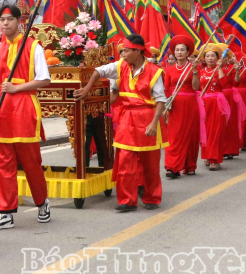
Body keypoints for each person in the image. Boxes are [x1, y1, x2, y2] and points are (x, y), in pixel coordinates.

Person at [75, 34, 166, 212]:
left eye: (126, 50)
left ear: (137, 51)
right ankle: (127, 200)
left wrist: (154, 123)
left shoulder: (154, 71)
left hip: (147, 118)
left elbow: (161, 100)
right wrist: (86, 90)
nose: (122, 54)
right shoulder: (120, 66)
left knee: (150, 164)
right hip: (127, 119)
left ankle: (152, 197)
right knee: (125, 161)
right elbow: (98, 71)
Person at [0, 5, 52, 230]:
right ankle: (5, 213)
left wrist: (17, 87)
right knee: (3, 164)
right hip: (4, 110)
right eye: (2, 20)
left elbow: (44, 79)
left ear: (19, 21)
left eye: (10, 19)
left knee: (31, 162)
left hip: (25, 108)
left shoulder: (33, 47)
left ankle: (42, 202)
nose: (5, 23)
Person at [161, 35, 200, 178]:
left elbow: (196, 87)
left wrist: (195, 71)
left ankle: (190, 165)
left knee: (190, 134)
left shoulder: (193, 67)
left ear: (188, 52)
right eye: (177, 50)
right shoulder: (169, 70)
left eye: (182, 50)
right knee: (174, 135)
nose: (179, 52)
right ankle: (172, 167)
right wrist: (165, 106)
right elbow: (166, 89)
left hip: (190, 104)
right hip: (175, 105)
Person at [198, 44, 230, 170]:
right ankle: (207, 155)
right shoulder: (200, 72)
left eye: (213, 56)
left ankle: (215, 159)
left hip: (217, 103)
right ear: (204, 58)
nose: (210, 58)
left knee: (216, 131)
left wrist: (220, 68)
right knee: (205, 130)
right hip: (204, 103)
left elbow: (224, 84)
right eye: (208, 56)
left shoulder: (220, 70)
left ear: (217, 58)